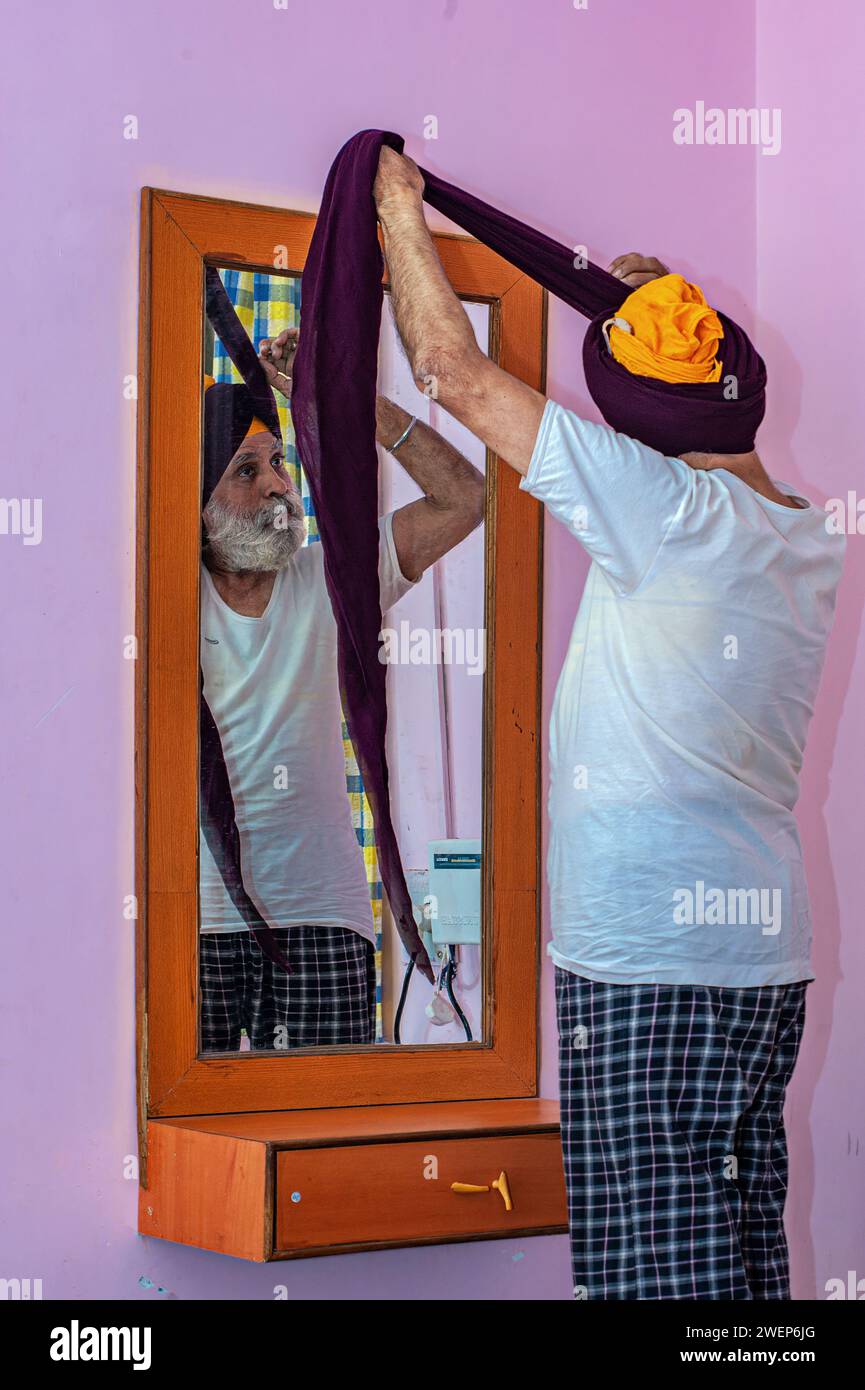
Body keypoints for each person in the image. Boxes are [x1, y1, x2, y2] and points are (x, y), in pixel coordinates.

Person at [372, 145, 844, 1300]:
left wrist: (395, 208)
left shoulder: (667, 511)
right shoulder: (802, 534)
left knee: (654, 1288)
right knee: (734, 1271)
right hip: (756, 956)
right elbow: (662, 441)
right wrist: (644, 320)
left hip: (647, 959)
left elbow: (452, 370)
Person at [199, 326, 484, 1052]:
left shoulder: (328, 578)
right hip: (193, 920)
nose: (275, 484)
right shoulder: (159, 596)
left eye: (278, 462)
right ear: (191, 499)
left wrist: (347, 402)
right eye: (243, 471)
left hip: (325, 918)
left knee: (323, 1145)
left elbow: (463, 498)